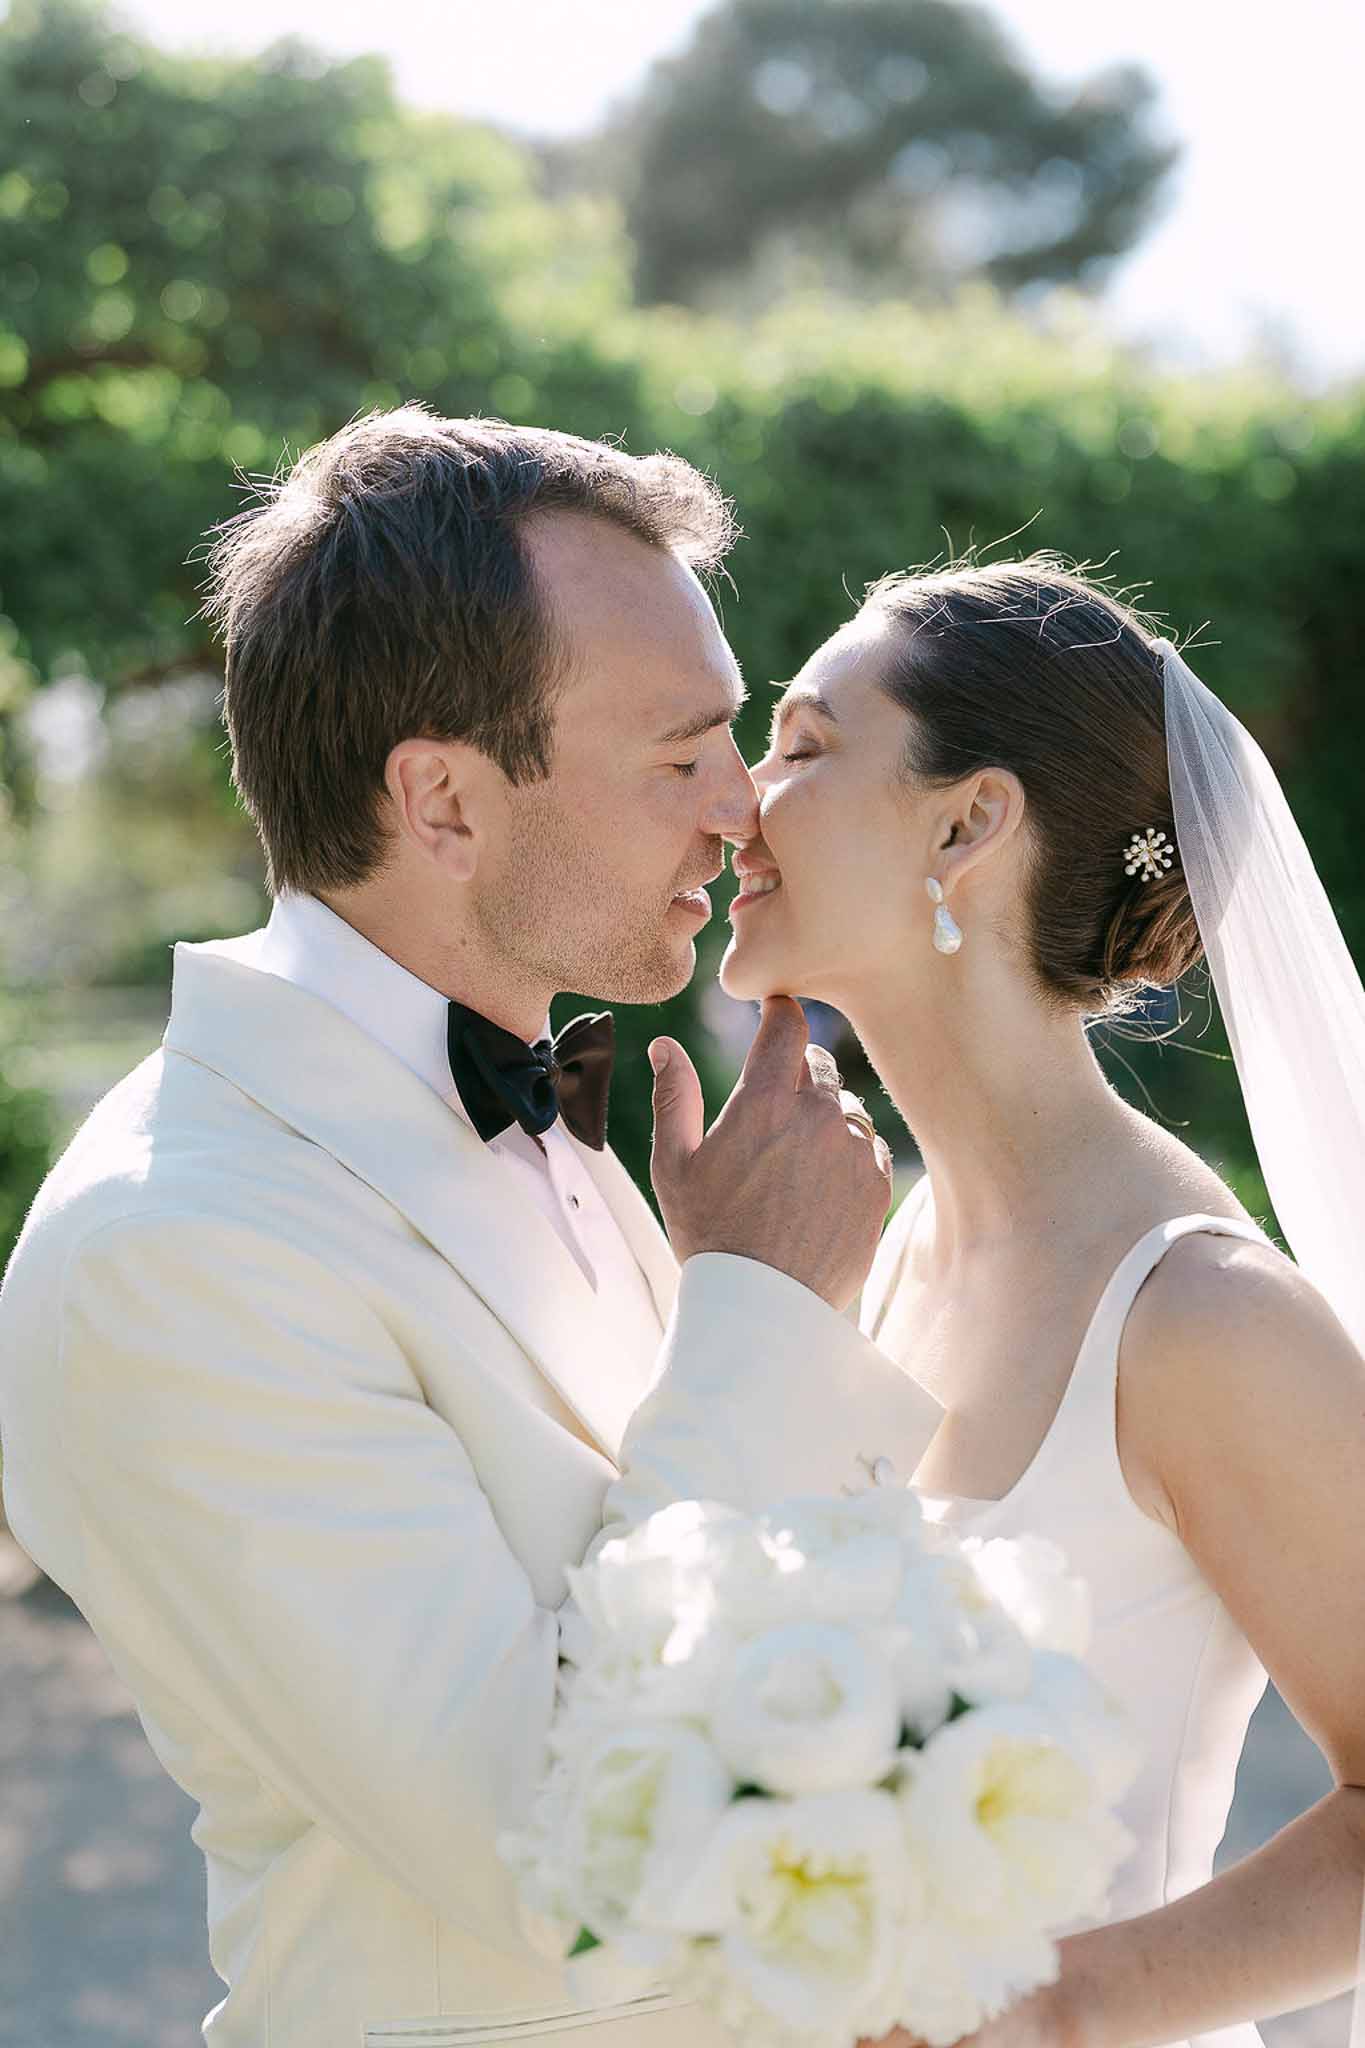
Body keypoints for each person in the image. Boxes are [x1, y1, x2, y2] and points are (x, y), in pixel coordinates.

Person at [0, 408, 942, 2048]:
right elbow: (551, 1857)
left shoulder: (553, 1122)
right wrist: (762, 1307)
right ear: (440, 801)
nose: (744, 809)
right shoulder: (173, 1251)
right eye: (679, 755)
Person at [718, 554, 1365, 2048]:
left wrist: (1041, 2015)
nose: (738, 800)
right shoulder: (882, 1243)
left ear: (967, 822)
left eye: (802, 746)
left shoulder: (1198, 1319)